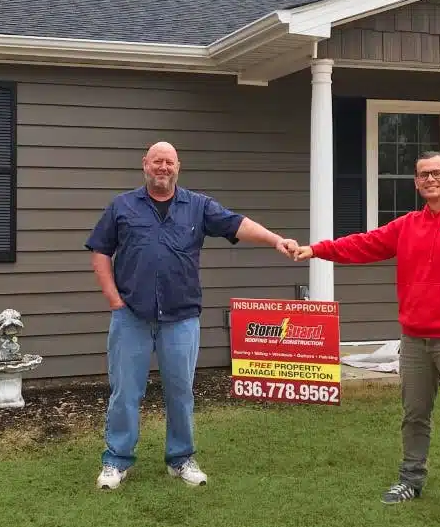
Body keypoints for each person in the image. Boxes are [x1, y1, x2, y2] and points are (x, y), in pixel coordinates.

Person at [294, 151, 440, 523]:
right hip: (414, 340)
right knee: (414, 416)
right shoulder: (407, 226)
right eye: (423, 175)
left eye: (437, 172)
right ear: (416, 182)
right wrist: (318, 250)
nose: (430, 179)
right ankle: (411, 479)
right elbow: (363, 244)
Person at [86, 141, 300, 491]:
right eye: (157, 161)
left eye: (169, 162)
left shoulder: (197, 206)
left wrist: (275, 239)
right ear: (145, 164)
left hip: (181, 317)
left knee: (181, 391)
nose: (163, 168)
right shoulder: (121, 206)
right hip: (132, 317)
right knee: (125, 391)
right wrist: (113, 298)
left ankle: (181, 459)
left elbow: (236, 224)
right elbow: (100, 250)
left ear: (178, 167)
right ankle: (116, 461)